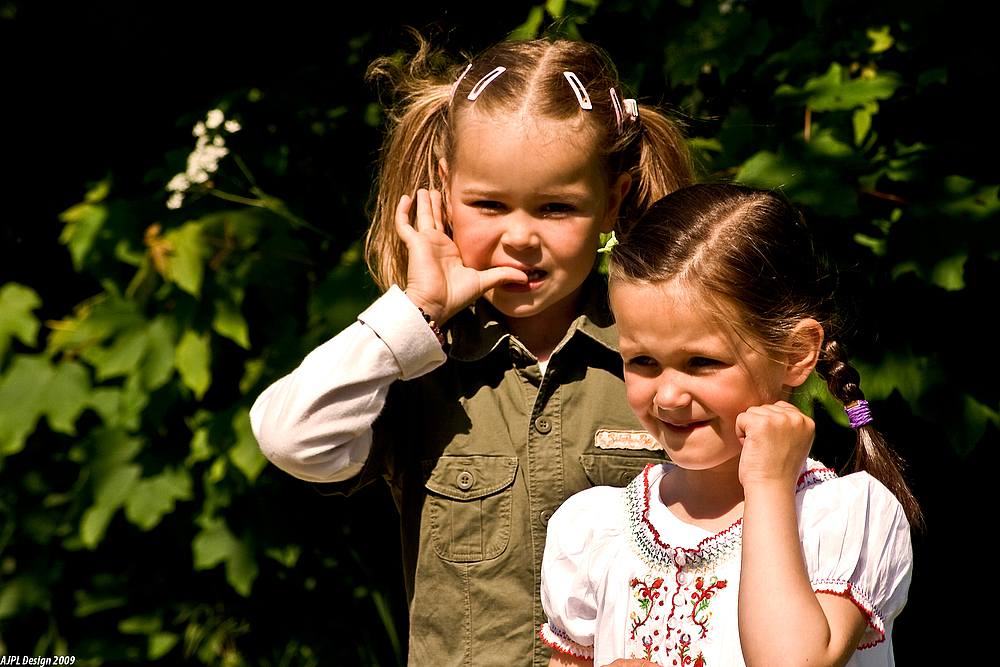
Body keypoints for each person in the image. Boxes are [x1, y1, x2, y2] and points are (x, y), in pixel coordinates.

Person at [250, 35, 694, 667]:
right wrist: (415, 312)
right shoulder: (414, 366)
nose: (520, 237)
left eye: (556, 208)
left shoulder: (661, 356)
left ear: (612, 202)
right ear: (443, 193)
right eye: (487, 204)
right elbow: (293, 439)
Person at [540, 184, 921, 667]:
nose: (669, 395)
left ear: (794, 353)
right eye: (642, 361)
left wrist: (766, 483)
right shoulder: (596, 529)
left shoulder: (841, 518)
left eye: (701, 361)